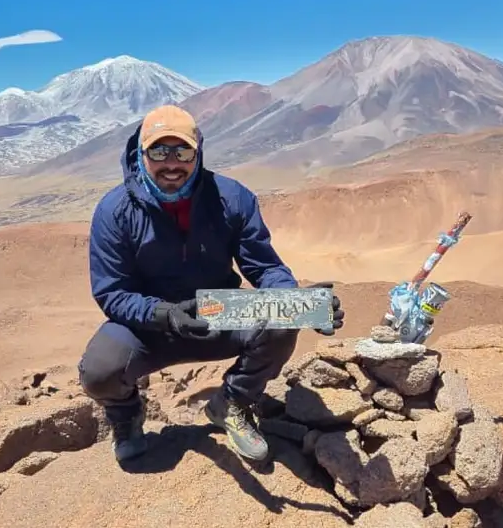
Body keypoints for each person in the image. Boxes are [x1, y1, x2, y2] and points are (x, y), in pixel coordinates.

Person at [78, 104, 344, 464]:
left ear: (198, 152)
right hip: (150, 323)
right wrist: (165, 314)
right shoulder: (114, 211)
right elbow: (113, 293)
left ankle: (232, 403)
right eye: (159, 151)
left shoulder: (232, 198)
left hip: (216, 311)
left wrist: (296, 303)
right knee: (99, 370)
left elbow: (265, 267)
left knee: (283, 319)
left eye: (182, 152)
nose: (171, 163)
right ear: (141, 154)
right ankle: (126, 417)